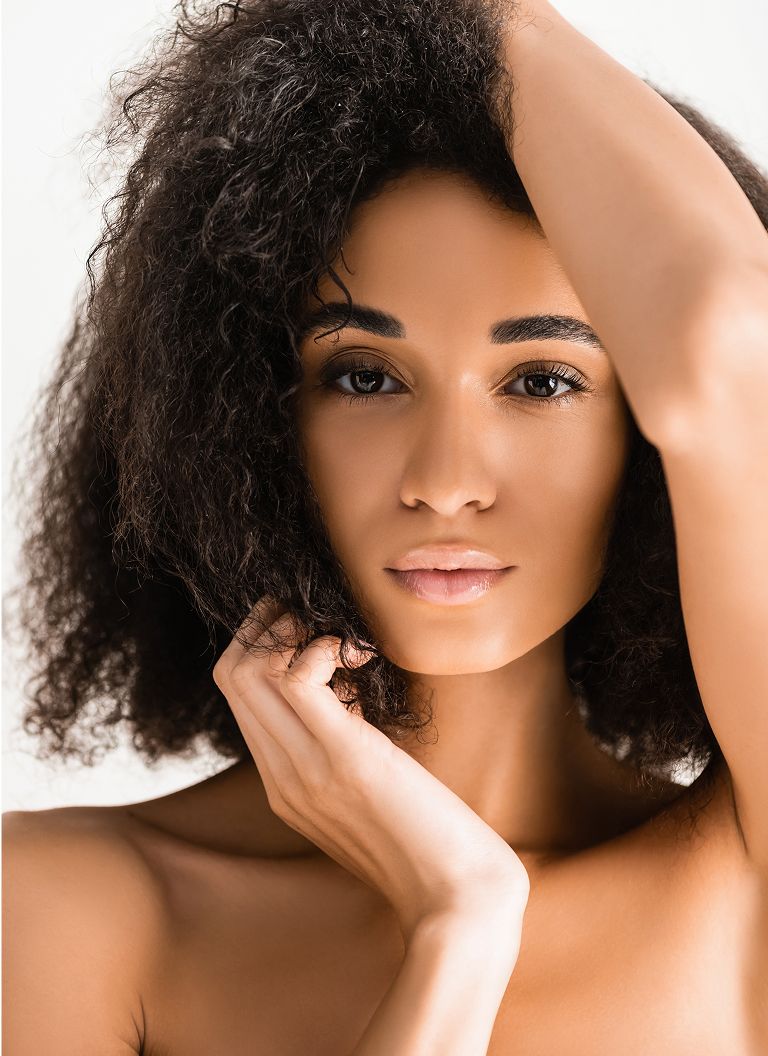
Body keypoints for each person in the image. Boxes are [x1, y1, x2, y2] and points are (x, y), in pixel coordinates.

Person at [4, 0, 768, 1052]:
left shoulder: (742, 875)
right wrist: (459, 926)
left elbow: (733, 342)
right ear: (250, 417)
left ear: (642, 442)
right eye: (365, 376)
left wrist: (469, 13)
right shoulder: (68, 910)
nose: (446, 482)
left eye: (541, 380)